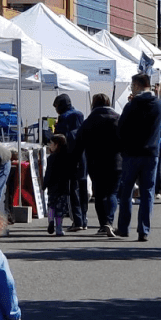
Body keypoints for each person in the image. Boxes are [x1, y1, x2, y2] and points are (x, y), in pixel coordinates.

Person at [115, 73, 161, 241]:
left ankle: (123, 227)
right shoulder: (159, 104)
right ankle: (144, 229)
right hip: (151, 153)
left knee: (126, 191)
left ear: (137, 86)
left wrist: (123, 147)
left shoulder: (132, 105)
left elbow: (120, 129)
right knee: (147, 192)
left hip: (131, 154)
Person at [74, 92, 122, 236]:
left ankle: (103, 225)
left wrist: (75, 161)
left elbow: (79, 143)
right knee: (113, 193)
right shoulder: (118, 119)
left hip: (96, 162)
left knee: (100, 194)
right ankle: (110, 221)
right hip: (116, 162)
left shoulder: (89, 121)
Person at [52, 93, 88, 232]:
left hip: (69, 157)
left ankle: (77, 220)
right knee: (83, 188)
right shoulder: (79, 115)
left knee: (73, 190)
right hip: (82, 156)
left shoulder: (64, 117)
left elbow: (59, 138)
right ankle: (84, 220)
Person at [42, 133, 73, 236]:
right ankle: (59, 229)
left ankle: (51, 221)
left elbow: (48, 173)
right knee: (60, 210)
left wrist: (44, 185)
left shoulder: (51, 158)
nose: (50, 145)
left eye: (51, 143)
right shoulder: (68, 157)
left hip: (52, 187)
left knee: (51, 206)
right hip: (63, 188)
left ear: (56, 144)